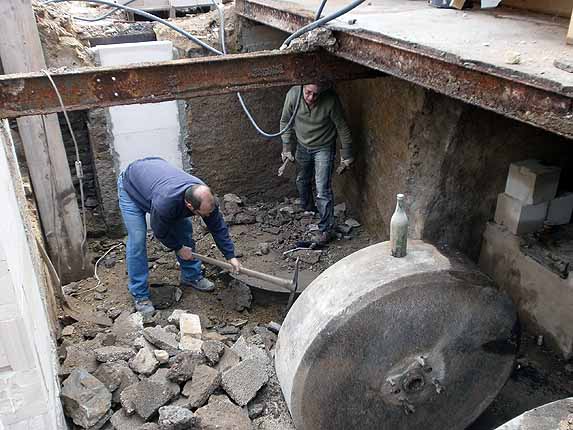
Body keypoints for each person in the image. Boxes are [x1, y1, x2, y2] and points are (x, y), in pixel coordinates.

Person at [117, 157, 241, 314]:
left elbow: (217, 227)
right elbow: (160, 231)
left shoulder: (206, 198)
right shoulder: (165, 203)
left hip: (155, 180)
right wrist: (178, 247)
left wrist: (231, 256)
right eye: (204, 213)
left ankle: (191, 276)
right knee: (138, 238)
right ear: (189, 205)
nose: (209, 215)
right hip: (131, 186)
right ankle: (140, 295)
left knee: (184, 228)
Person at [280, 83, 354, 245]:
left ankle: (326, 229)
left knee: (322, 190)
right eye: (308, 93)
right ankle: (309, 210)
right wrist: (286, 147)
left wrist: (347, 154)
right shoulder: (293, 95)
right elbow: (285, 121)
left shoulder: (330, 100)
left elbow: (342, 127)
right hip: (302, 145)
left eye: (316, 94)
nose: (311, 98)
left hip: (324, 147)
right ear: (302, 87)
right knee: (301, 180)